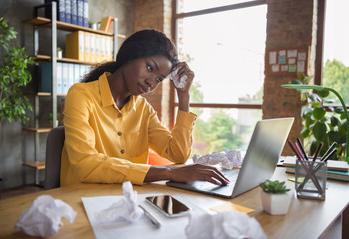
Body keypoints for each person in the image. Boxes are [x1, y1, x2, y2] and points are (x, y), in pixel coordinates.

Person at [60, 29, 229, 187]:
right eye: (150, 68)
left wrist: (183, 96)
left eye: (158, 79)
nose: (151, 82)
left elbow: (178, 154)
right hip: (81, 201)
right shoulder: (81, 95)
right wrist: (170, 172)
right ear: (130, 56)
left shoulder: (143, 109)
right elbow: (85, 164)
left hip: (129, 202)